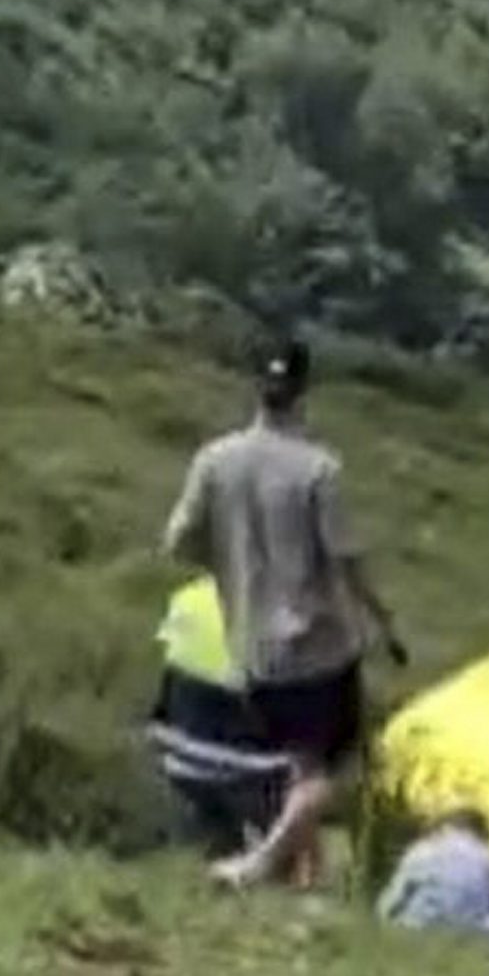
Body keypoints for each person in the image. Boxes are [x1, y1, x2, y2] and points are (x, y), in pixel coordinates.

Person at [163, 335, 407, 893]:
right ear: (303, 391)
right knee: (329, 771)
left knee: (297, 766)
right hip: (318, 645)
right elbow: (346, 561)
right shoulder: (318, 470)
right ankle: (264, 862)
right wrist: (385, 625)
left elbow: (178, 541)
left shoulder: (215, 460)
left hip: (249, 643)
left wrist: (230, 566)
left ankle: (304, 877)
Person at [145, 575, 295, 857]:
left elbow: (167, 688)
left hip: (182, 763)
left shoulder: (187, 599)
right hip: (255, 772)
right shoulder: (289, 615)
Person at [377, 803, 489, 943]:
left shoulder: (422, 850)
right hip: (474, 934)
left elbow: (388, 906)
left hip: (417, 928)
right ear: (483, 834)